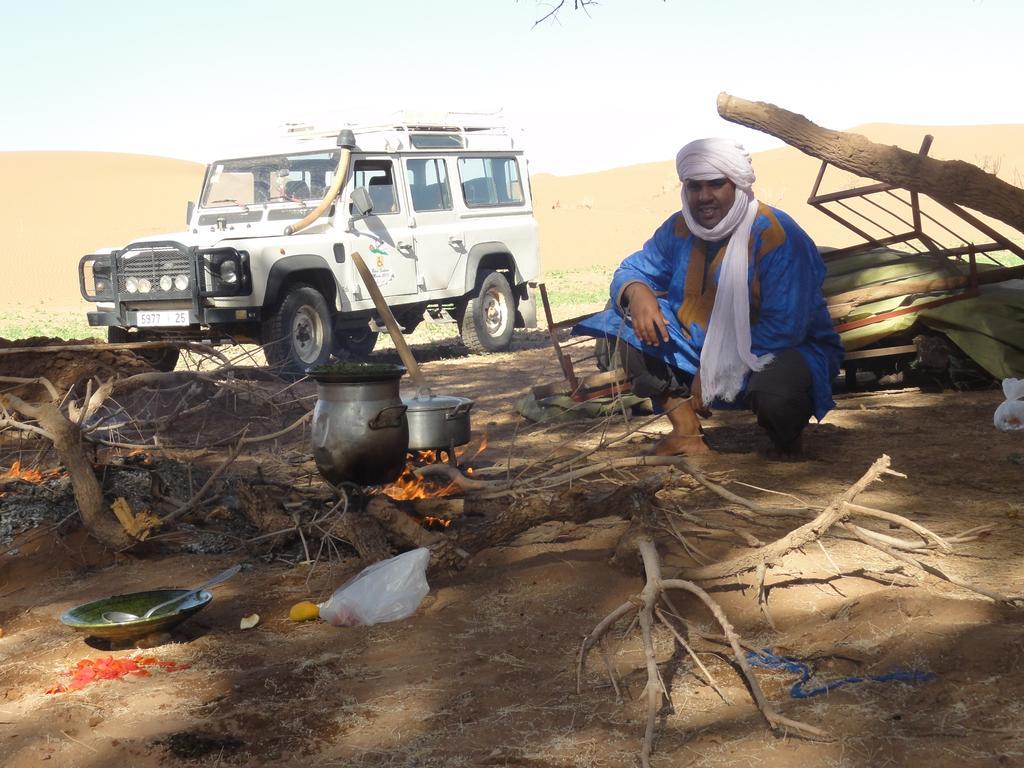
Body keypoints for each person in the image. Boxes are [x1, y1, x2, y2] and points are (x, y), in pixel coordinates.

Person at [574, 138, 844, 458]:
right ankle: (686, 432)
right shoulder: (679, 227)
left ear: (737, 184)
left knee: (778, 389)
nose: (703, 197)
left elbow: (786, 327)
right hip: (697, 347)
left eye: (716, 184)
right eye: (693, 186)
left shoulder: (777, 235)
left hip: (781, 349)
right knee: (627, 322)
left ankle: (785, 441)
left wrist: (717, 362)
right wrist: (638, 291)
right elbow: (632, 268)